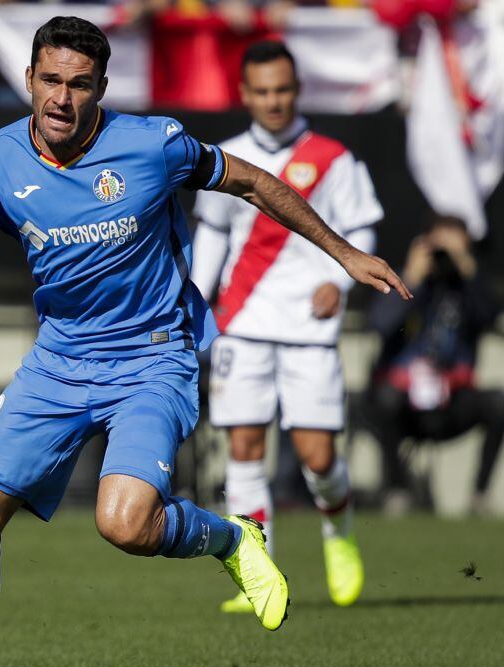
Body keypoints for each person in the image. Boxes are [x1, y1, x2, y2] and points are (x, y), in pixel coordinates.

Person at [0, 16, 409, 667]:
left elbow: (256, 183)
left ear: (102, 88)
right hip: (58, 361)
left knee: (124, 524)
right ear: (29, 79)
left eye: (79, 85)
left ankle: (234, 539)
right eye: (51, 81)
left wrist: (346, 253)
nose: (62, 99)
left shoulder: (154, 144)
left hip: (152, 358)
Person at [190, 41, 382, 611]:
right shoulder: (223, 156)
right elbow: (214, 236)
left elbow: (363, 229)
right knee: (244, 449)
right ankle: (258, 570)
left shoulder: (333, 157)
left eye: (283, 89)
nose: (274, 100)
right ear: (245, 94)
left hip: (309, 323)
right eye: (263, 91)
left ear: (297, 90)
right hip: (243, 323)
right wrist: (199, 306)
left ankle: (339, 531)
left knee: (318, 458)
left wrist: (341, 282)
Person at [365, 215, 504, 514]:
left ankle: (479, 497)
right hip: (405, 401)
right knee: (384, 397)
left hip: (453, 400)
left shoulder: (467, 289)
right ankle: (397, 490)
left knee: (498, 402)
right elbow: (378, 323)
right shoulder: (407, 282)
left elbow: (490, 318)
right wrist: (411, 277)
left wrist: (466, 268)